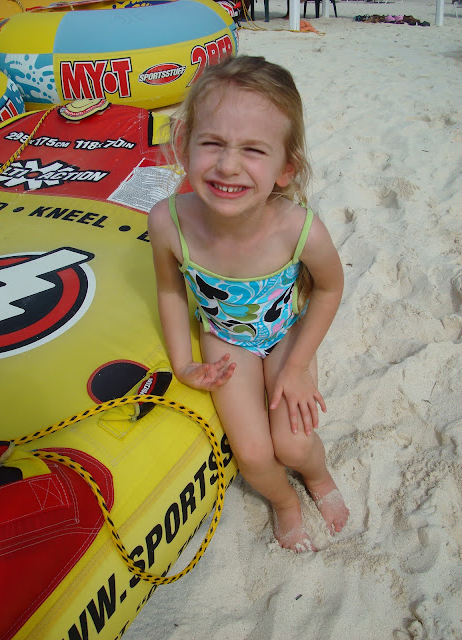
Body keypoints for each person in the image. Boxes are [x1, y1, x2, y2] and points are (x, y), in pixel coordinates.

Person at [148, 55, 349, 552]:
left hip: (285, 336)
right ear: (186, 144)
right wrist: (184, 363)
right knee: (256, 455)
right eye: (212, 142)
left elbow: (328, 288)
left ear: (286, 169)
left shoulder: (298, 229)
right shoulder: (167, 221)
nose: (227, 165)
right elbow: (171, 290)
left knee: (295, 444)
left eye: (253, 150)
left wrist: (297, 366)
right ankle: (284, 503)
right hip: (225, 339)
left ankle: (318, 477)